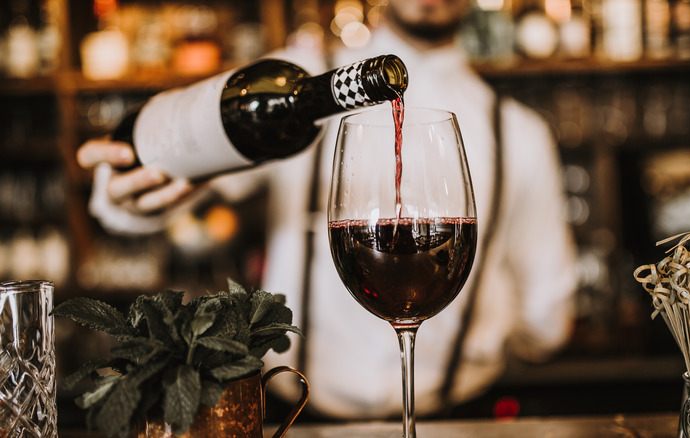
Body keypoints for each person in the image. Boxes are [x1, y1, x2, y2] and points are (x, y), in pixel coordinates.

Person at [76, 0, 578, 420]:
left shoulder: (523, 135)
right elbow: (165, 186)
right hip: (296, 418)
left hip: (458, 420)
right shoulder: (305, 89)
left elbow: (550, 319)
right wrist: (126, 196)